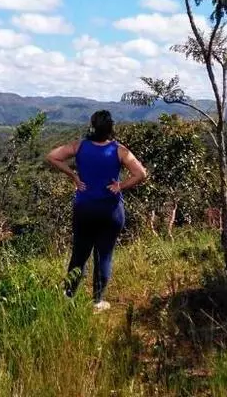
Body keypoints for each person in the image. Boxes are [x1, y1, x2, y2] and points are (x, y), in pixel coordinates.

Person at [46, 110, 147, 311]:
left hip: (85, 208)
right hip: (111, 211)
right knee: (104, 255)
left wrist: (74, 176)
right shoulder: (119, 151)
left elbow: (52, 157)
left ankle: (68, 297)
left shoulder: (80, 146)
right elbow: (141, 173)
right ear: (110, 128)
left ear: (92, 127)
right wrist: (120, 186)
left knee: (79, 254)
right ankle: (98, 302)